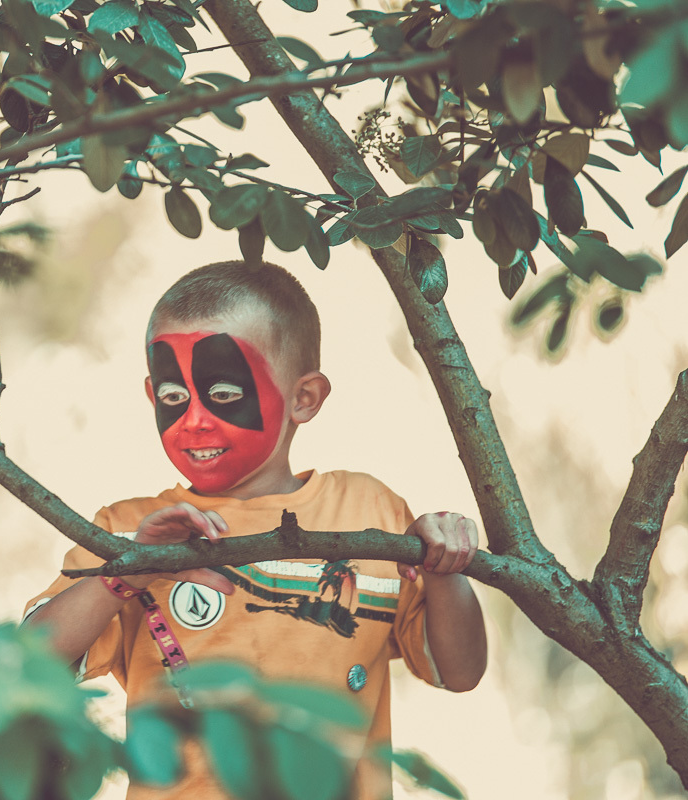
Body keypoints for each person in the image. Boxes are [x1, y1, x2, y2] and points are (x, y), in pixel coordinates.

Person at [24, 260, 487, 800]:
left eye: (222, 394)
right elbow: (28, 660)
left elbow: (460, 671)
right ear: (153, 396)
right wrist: (129, 571)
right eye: (174, 398)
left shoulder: (373, 512)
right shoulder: (127, 530)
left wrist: (445, 568)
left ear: (304, 398)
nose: (194, 419)